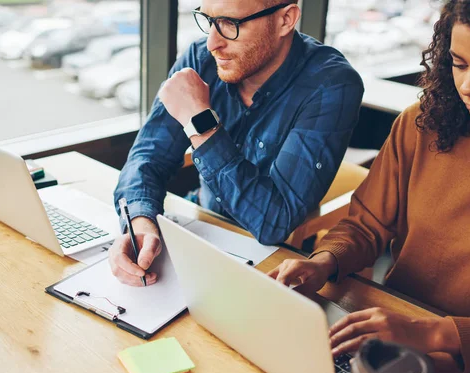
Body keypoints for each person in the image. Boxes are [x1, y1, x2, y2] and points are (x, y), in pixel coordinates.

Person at [269, 0, 470, 373]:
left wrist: (432, 334)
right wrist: (323, 262)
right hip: (394, 330)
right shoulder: (424, 122)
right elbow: (367, 223)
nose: (468, 86)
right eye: (458, 63)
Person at [110, 0, 364, 286]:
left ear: (286, 20)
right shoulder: (201, 59)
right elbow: (148, 155)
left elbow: (273, 223)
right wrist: (140, 222)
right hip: (201, 224)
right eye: (209, 21)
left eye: (231, 24)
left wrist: (200, 123)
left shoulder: (331, 84)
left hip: (271, 261)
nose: (212, 43)